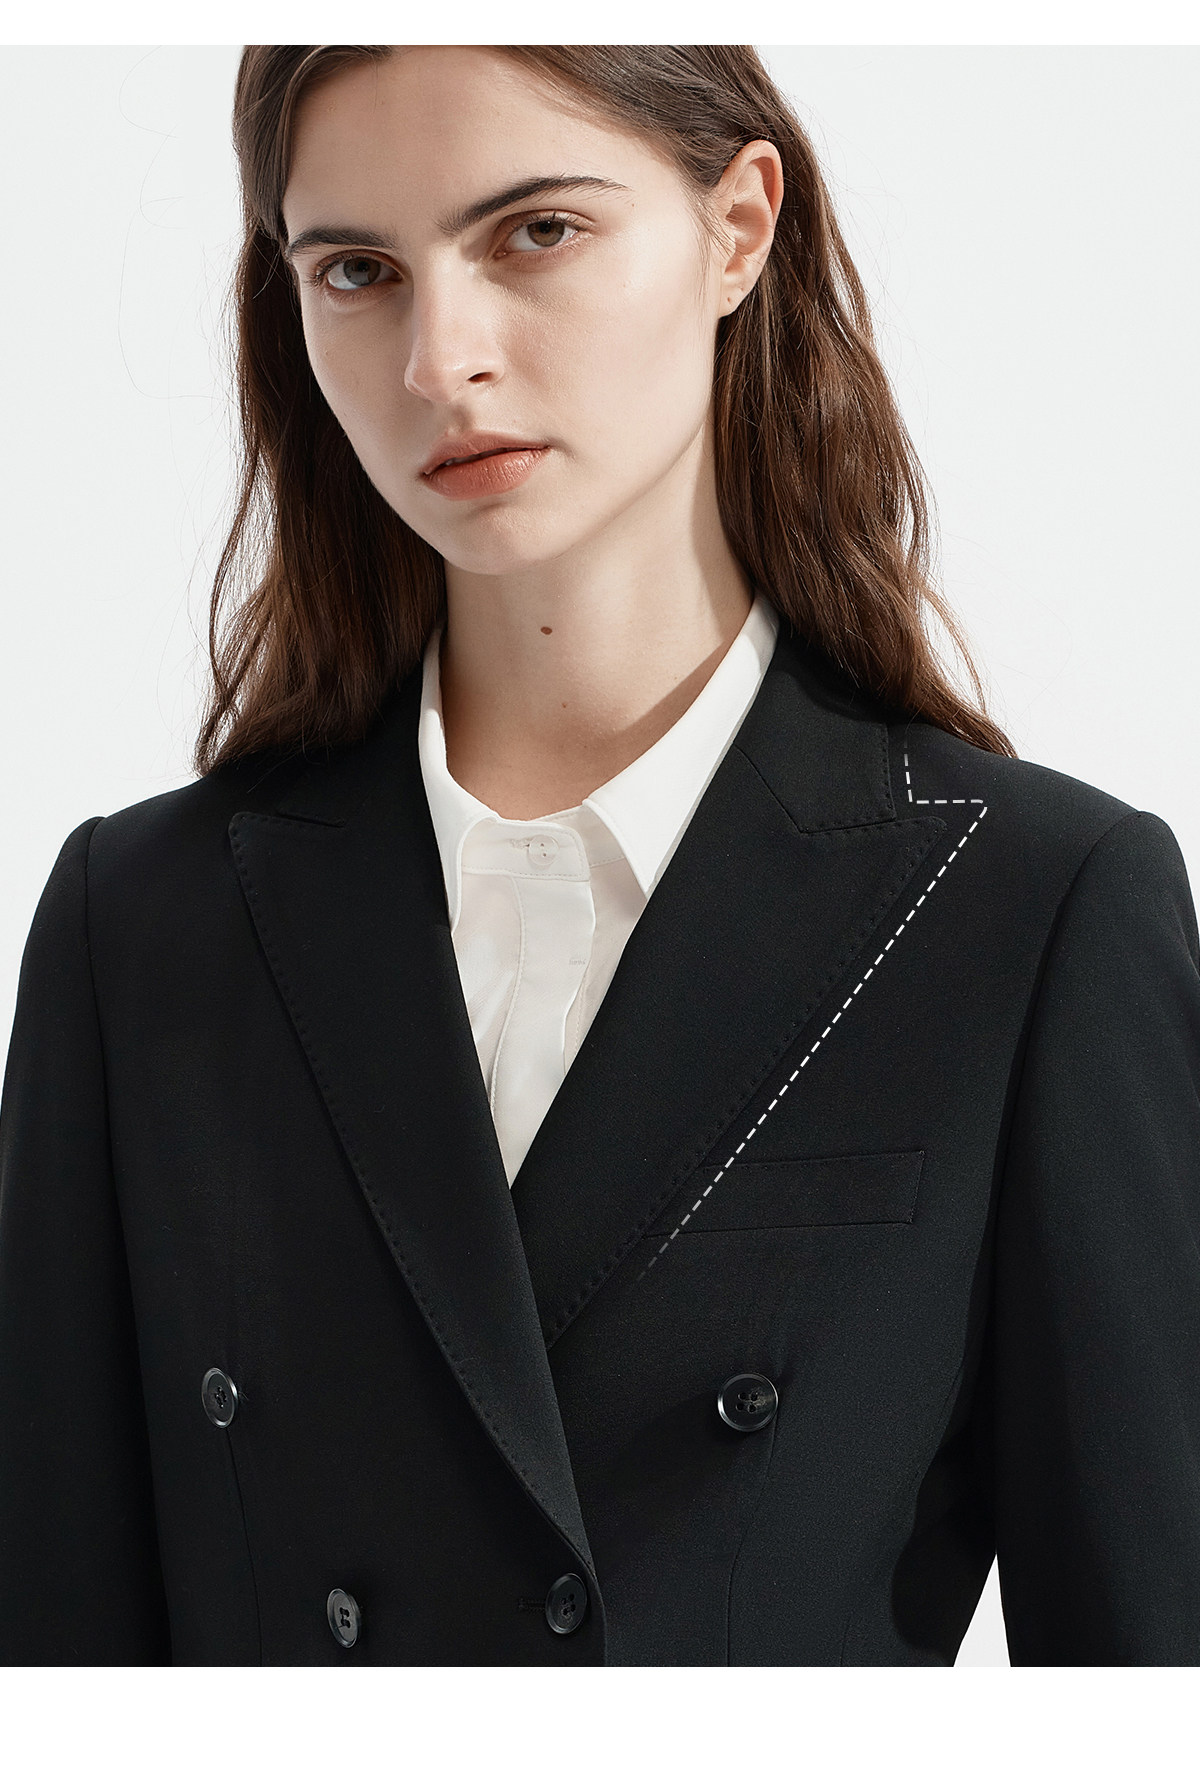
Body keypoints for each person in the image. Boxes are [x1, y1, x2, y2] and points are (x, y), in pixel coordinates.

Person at [1, 42, 1198, 1668]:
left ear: (738, 225)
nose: (441, 359)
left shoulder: (1029, 910)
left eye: (536, 231)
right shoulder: (140, 926)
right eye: (356, 270)